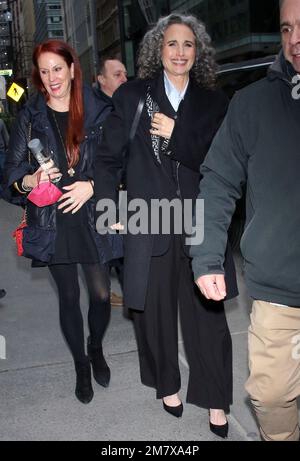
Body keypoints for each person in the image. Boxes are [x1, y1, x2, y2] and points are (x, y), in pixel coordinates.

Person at [94, 13, 237, 438]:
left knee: (208, 317)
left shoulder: (214, 102)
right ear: (159, 49)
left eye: (188, 45)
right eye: (171, 44)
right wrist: (109, 207)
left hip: (198, 220)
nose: (179, 52)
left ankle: (215, 397)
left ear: (199, 53)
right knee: (153, 314)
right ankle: (167, 383)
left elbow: (221, 160)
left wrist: (177, 133)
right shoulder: (134, 95)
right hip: (149, 219)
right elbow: (106, 159)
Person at [191, 0, 300, 442]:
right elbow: (216, 182)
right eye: (287, 28)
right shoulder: (252, 104)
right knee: (271, 398)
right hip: (279, 293)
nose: (295, 39)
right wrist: (205, 256)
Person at [3, 39, 116, 405]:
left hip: (92, 211)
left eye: (57, 68)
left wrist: (93, 185)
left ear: (71, 68)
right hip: (52, 218)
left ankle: (95, 346)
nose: (51, 77)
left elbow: (118, 161)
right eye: (44, 70)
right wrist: (32, 180)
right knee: (68, 296)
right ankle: (81, 365)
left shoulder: (99, 108)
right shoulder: (31, 116)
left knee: (100, 295)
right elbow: (11, 173)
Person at [94, 56, 128, 307]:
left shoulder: (129, 106)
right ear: (101, 80)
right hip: (102, 196)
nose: (124, 79)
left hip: (128, 196)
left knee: (129, 261)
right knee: (104, 262)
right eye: (117, 74)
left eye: (125, 74)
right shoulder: (93, 113)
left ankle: (135, 307)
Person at [0, 118, 9, 189]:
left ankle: (4, 189)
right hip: (2, 151)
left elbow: (5, 136)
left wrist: (8, 147)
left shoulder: (0, 122)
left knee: (4, 170)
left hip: (1, 151)